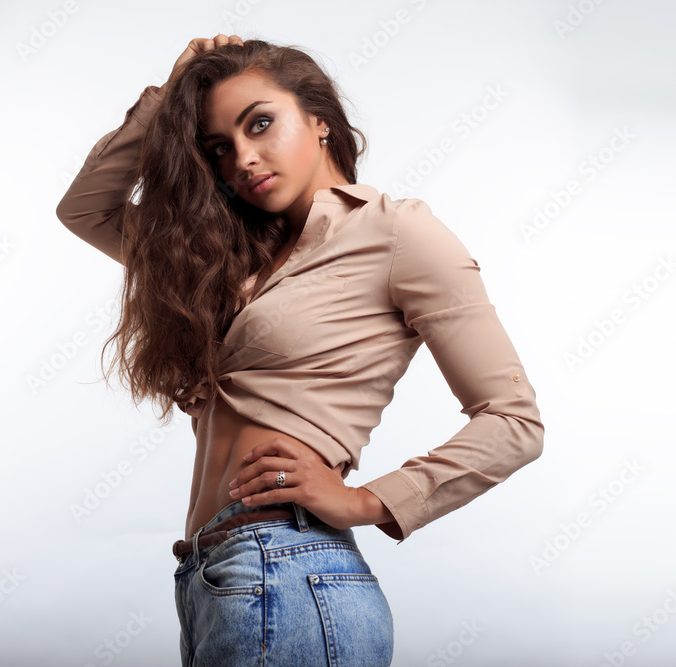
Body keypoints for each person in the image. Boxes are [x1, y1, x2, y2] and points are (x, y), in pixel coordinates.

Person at [55, 33, 544, 666]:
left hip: (291, 568)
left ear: (319, 120)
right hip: (212, 576)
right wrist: (166, 96)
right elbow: (87, 209)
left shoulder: (397, 232)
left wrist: (368, 501)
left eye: (261, 125)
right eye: (220, 148)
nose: (244, 160)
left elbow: (513, 422)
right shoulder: (222, 261)